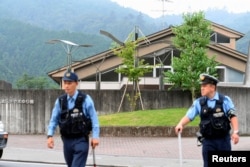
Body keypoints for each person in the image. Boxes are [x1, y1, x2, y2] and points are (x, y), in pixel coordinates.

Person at [175, 73, 239, 167]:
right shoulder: (199, 103)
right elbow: (189, 116)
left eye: (204, 86)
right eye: (201, 86)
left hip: (223, 140)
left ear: (212, 88)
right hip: (208, 141)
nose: (202, 88)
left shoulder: (224, 100)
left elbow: (232, 116)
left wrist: (235, 132)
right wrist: (181, 124)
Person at [47, 71, 100, 167]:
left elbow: (94, 119)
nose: (66, 86)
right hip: (67, 141)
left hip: (81, 140)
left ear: (76, 83)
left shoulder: (85, 99)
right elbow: (54, 119)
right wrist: (50, 135)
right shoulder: (60, 101)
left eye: (69, 83)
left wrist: (95, 137)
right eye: (65, 83)